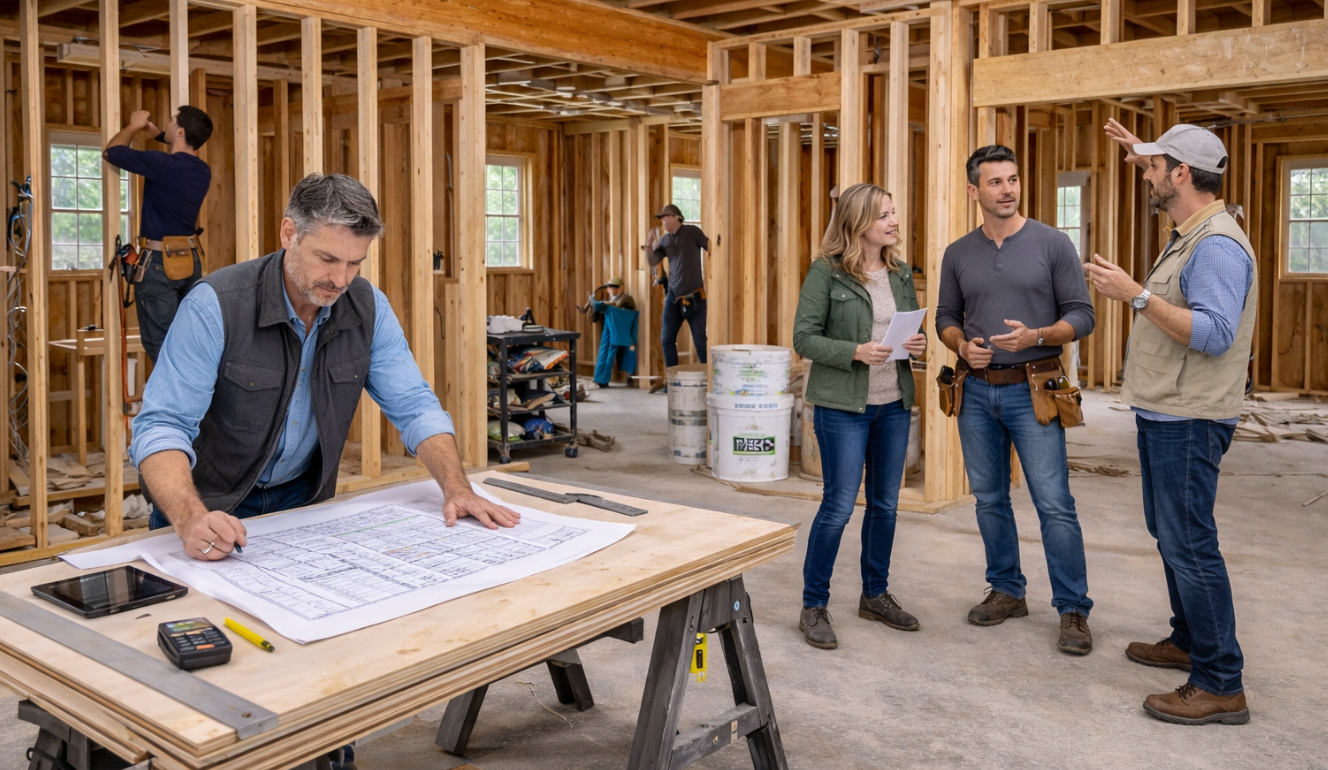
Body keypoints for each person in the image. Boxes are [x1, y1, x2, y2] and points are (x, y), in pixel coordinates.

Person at [129, 173, 518, 562]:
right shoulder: (214, 305)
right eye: (327, 259)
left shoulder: (369, 308)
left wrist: (458, 488)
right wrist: (190, 517)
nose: (339, 279)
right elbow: (162, 426)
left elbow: (415, 406)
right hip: (207, 509)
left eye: (354, 263)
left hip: (305, 506)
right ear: (288, 233)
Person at [1086, 122, 1255, 726]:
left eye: (1157, 167)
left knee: (1190, 543)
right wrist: (1145, 150)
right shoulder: (1193, 229)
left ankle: (1219, 682)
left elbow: (1212, 333)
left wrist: (1134, 295)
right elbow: (1164, 167)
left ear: (1182, 174)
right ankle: (1189, 640)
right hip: (1167, 410)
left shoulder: (1214, 245)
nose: (1147, 175)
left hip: (1190, 416)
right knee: (1171, 534)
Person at [936, 145, 1097, 654]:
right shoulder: (958, 253)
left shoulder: (1052, 244)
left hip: (1037, 388)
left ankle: (1073, 610)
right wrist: (961, 345)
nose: (1007, 189)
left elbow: (1083, 315)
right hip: (978, 392)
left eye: (1013, 179)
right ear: (974, 191)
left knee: (1054, 504)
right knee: (989, 499)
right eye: (995, 182)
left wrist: (1039, 335)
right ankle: (1007, 590)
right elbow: (945, 315)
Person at [791, 183, 927, 650]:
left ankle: (875, 594)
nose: (894, 221)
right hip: (842, 407)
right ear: (857, 223)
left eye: (893, 212)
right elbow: (804, 339)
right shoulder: (826, 272)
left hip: (892, 404)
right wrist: (854, 351)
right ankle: (814, 605)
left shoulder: (900, 272)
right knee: (839, 506)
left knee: (886, 505)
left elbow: (907, 329)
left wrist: (917, 344)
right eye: (884, 215)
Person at [104, 106, 214, 363]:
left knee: (161, 345)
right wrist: (157, 131)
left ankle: (171, 402)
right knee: (186, 341)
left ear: (180, 131)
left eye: (170, 121)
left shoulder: (161, 164)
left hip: (158, 264)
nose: (166, 123)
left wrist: (133, 125)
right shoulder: (202, 170)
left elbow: (112, 152)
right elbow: (175, 150)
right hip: (190, 260)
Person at [645, 204, 708, 369]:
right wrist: (649, 245)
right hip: (673, 297)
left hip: (695, 297)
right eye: (661, 218)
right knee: (666, 340)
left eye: (665, 216)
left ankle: (707, 382)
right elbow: (652, 261)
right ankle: (672, 382)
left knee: (700, 342)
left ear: (676, 217)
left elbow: (711, 247)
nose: (662, 220)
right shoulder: (665, 240)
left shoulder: (693, 232)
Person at [591, 277, 639, 388]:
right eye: (609, 286)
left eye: (612, 286)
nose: (609, 289)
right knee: (604, 351)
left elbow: (619, 310)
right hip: (611, 326)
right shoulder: (614, 298)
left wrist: (604, 305)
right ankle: (599, 378)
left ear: (620, 287)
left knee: (609, 353)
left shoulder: (626, 298)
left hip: (618, 328)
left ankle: (602, 380)